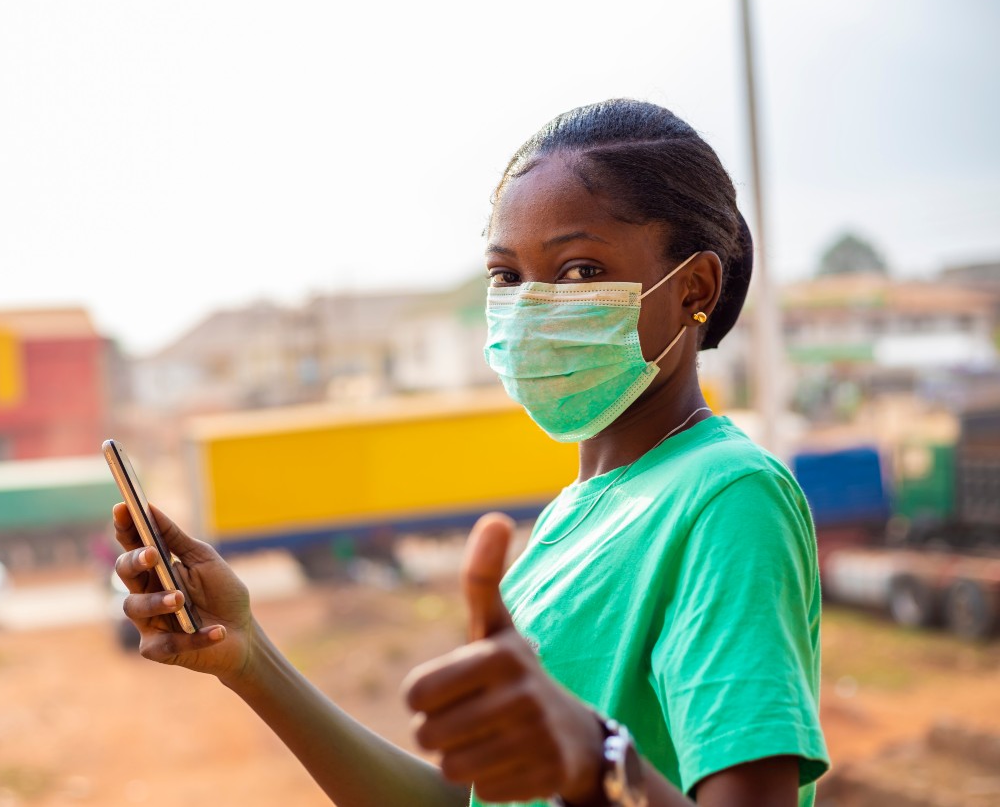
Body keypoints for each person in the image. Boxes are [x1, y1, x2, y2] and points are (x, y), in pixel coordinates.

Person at [113, 98, 829, 807]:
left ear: (694, 288)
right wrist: (249, 655)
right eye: (506, 276)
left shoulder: (727, 496)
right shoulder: (574, 515)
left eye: (579, 270)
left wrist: (596, 760)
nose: (531, 307)